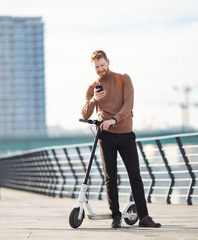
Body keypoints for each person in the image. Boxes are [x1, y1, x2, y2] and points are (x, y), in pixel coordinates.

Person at [81, 50, 161, 228]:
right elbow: (85, 113)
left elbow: (129, 104)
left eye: (103, 65)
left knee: (135, 176)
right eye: (97, 67)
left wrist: (114, 119)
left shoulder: (123, 79)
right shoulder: (92, 86)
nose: (100, 69)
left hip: (125, 135)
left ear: (108, 62)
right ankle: (116, 217)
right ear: (93, 68)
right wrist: (94, 99)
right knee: (111, 178)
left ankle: (144, 217)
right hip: (106, 136)